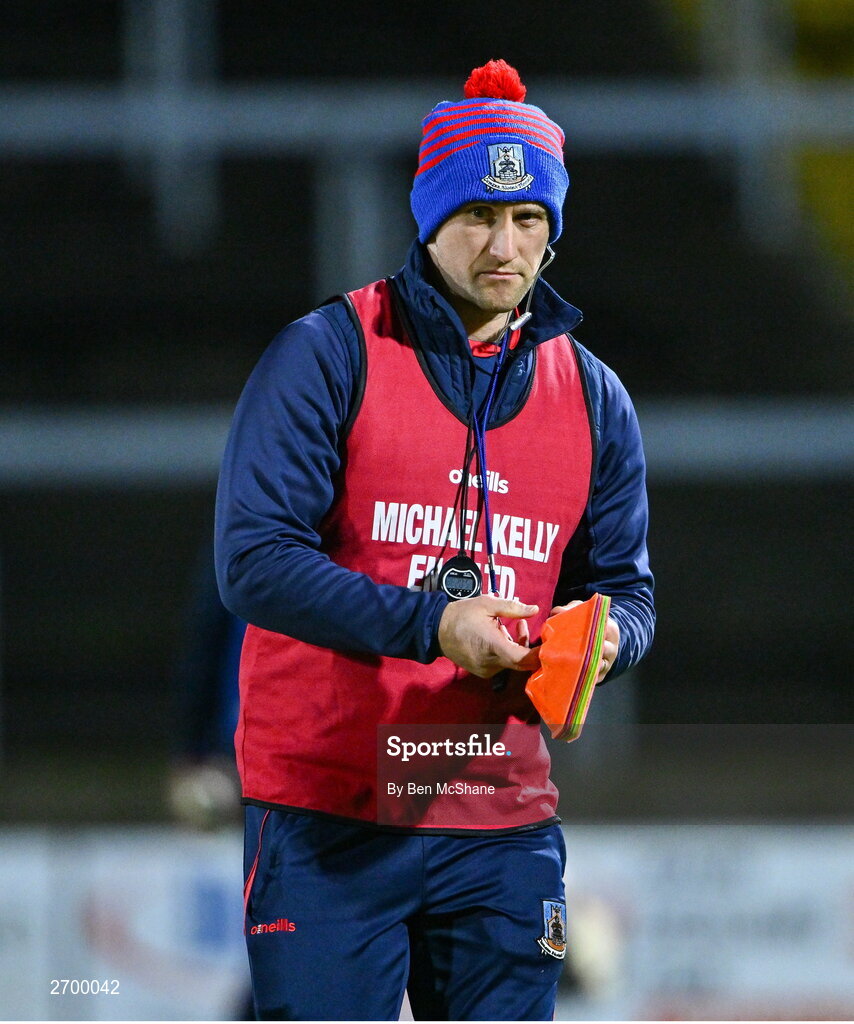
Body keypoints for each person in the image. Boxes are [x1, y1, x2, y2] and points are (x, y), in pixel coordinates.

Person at [215, 59, 654, 1021]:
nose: (505, 245)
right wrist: (434, 624)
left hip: (500, 816)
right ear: (430, 220)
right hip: (331, 811)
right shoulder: (327, 354)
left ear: (553, 228)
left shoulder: (595, 398)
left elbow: (628, 590)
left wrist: (607, 641)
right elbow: (252, 563)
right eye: (478, 218)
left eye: (528, 219)